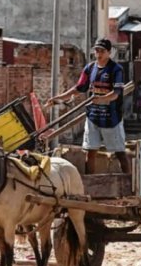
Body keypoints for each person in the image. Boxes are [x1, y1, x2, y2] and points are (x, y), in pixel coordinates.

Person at [46, 38, 129, 175]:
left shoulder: (116, 70)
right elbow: (78, 89)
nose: (99, 53)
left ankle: (127, 183)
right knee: (90, 152)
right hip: (93, 117)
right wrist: (58, 98)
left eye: (102, 51)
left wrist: (102, 99)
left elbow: (116, 94)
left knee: (120, 153)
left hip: (111, 119)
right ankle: (90, 183)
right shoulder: (90, 69)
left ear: (109, 52)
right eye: (97, 50)